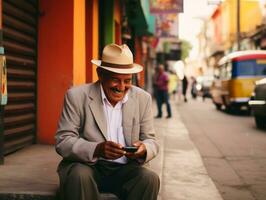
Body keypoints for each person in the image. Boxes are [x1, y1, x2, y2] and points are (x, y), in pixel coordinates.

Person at [55, 44, 160, 200]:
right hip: (87, 166)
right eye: (115, 80)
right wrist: (97, 149)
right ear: (100, 74)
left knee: (149, 179)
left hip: (126, 169)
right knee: (78, 175)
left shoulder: (142, 99)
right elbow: (63, 141)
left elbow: (151, 140)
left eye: (127, 81)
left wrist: (143, 149)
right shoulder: (76, 96)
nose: (122, 87)